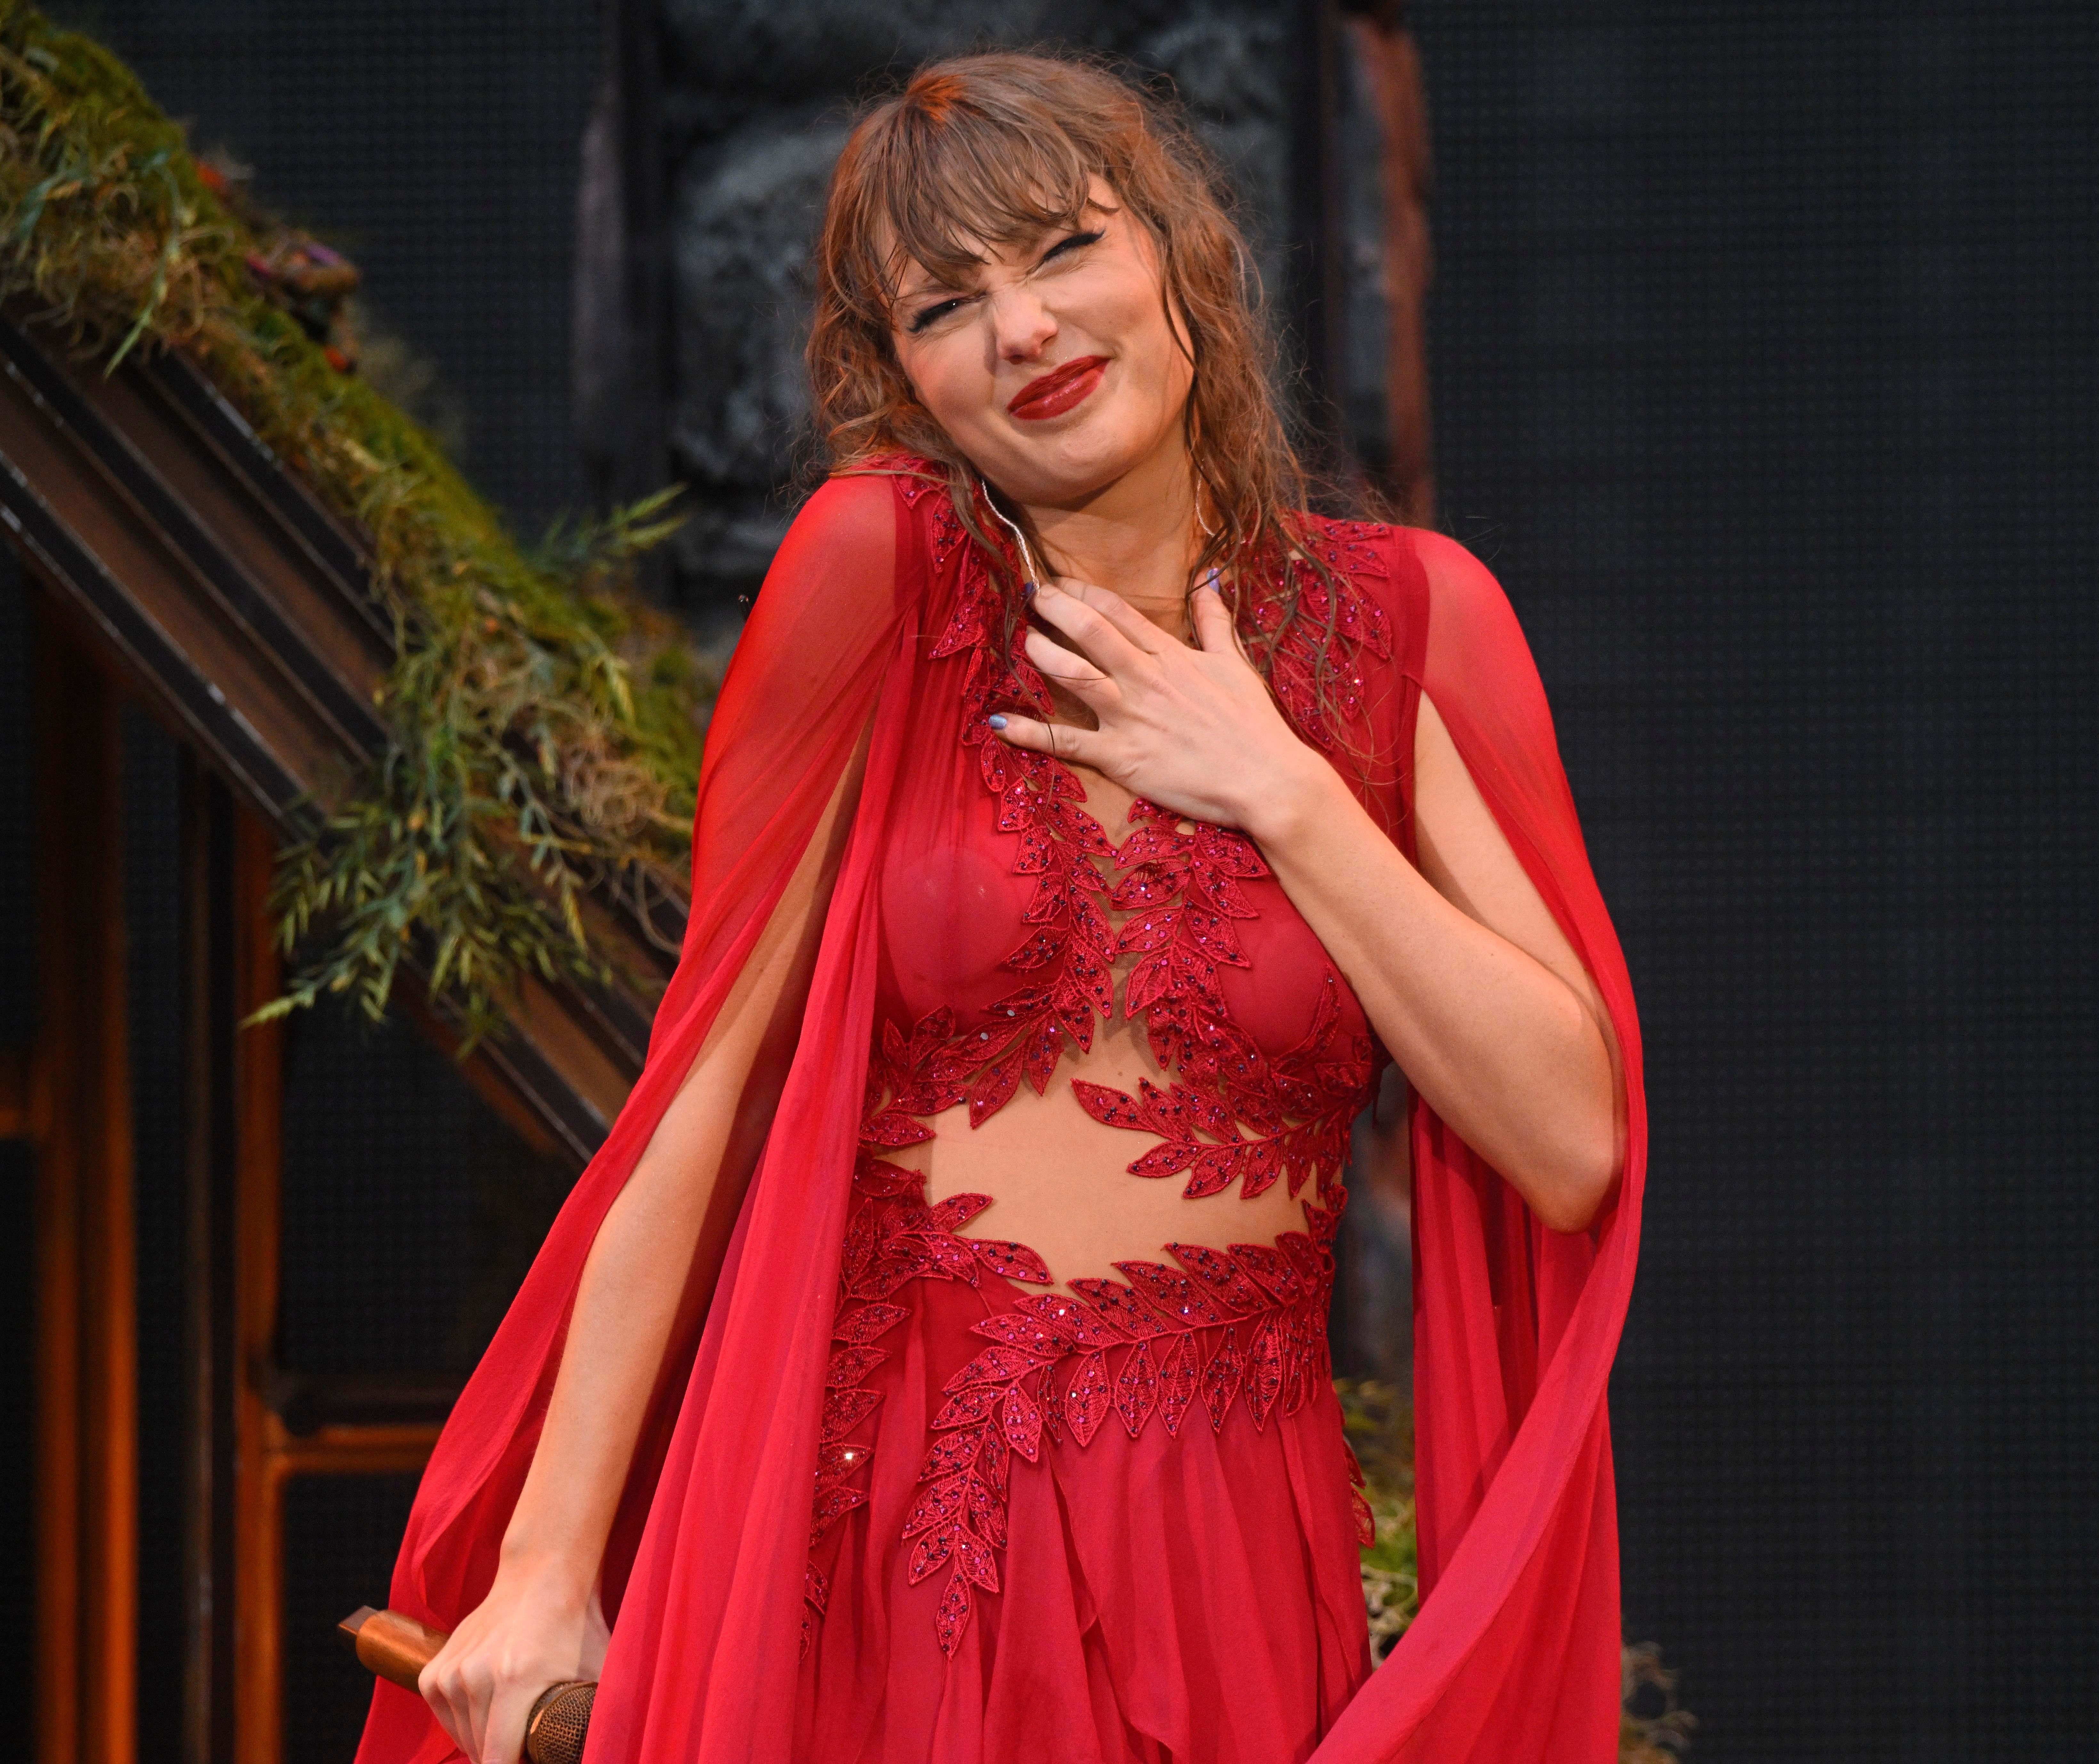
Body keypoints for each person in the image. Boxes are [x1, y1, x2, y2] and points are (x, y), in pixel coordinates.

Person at [356, 50, 1645, 1764]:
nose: (1022, 330)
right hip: (891, 1508)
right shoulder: (875, 577)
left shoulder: (1405, 625)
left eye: (1059, 250)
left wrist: (1283, 790)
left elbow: (1569, 1141)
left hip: (1231, 1546)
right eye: (943, 307)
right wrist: (546, 1564)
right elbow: (700, 1094)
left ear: (1181, 256)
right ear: (900, 380)